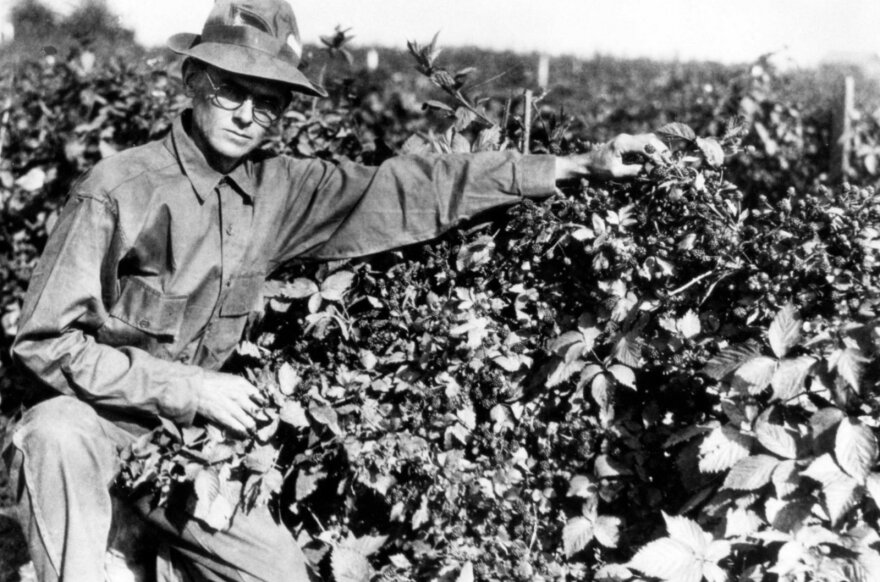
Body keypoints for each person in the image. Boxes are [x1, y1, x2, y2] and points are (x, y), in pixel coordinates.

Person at [1, 0, 669, 580]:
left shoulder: (278, 190)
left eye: (269, 102)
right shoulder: (120, 190)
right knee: (53, 433)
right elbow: (43, 343)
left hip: (181, 445)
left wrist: (573, 166)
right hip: (93, 423)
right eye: (232, 89)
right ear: (193, 80)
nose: (247, 115)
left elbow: (413, 188)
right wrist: (195, 388)